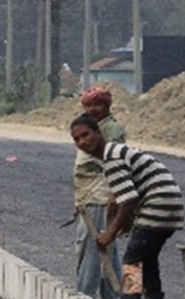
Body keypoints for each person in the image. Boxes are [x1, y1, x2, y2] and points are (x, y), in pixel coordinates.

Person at [70, 114, 184, 299]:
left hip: (158, 205)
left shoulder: (111, 158)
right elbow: (122, 195)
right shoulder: (116, 151)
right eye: (76, 139)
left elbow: (129, 200)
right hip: (170, 205)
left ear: (99, 133)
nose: (82, 142)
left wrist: (110, 232)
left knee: (132, 261)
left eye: (86, 135)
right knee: (147, 260)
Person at [74, 87, 126, 298]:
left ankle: (82, 294)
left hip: (99, 197)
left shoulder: (111, 129)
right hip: (89, 198)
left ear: (107, 106)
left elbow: (116, 162)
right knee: (107, 253)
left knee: (91, 252)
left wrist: (115, 194)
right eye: (88, 105)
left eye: (97, 105)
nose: (92, 109)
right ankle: (114, 295)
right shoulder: (91, 128)